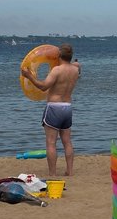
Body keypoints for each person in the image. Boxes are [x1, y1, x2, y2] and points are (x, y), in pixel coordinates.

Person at [20, 43, 79, 176]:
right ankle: (69, 171)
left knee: (51, 142)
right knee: (67, 141)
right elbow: (76, 66)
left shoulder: (57, 70)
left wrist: (29, 76)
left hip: (54, 107)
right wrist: (76, 64)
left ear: (58, 55)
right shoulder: (75, 70)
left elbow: (43, 87)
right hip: (67, 107)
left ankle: (52, 173)